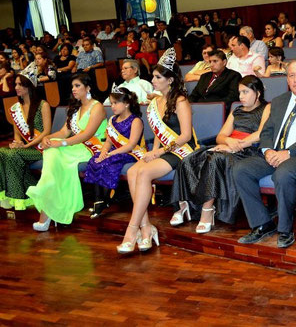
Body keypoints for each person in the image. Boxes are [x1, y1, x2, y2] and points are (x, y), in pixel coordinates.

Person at [233, 59, 296, 248]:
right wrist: (267, 151)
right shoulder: (279, 102)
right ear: (287, 79)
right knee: (241, 169)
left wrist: (289, 152)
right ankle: (262, 224)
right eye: (291, 75)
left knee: (283, 173)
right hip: (275, 153)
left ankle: (285, 230)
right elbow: (266, 132)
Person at [118, 48, 199, 254]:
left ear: (170, 80)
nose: (152, 80)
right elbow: (157, 133)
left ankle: (132, 230)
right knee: (132, 171)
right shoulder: (154, 103)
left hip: (182, 150)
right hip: (163, 149)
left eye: (157, 77)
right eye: (153, 76)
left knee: (143, 172)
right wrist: (152, 152)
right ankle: (146, 228)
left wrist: (159, 152)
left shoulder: (180, 100)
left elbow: (185, 136)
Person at [171, 75, 271, 233]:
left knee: (214, 159)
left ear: (257, 93)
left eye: (245, 92)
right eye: (239, 93)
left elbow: (261, 134)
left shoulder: (266, 108)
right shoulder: (236, 110)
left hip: (248, 150)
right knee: (190, 158)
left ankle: (207, 210)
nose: (241, 97)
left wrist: (235, 146)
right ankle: (185, 206)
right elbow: (221, 136)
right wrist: (228, 142)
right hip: (229, 146)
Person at [26, 74, 107, 230]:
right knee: (51, 153)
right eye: (72, 86)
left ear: (88, 87)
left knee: (56, 156)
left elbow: (86, 134)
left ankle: (46, 206)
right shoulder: (75, 107)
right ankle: (48, 209)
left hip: (92, 148)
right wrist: (48, 138)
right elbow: (64, 131)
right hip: (75, 146)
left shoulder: (97, 107)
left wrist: (61, 143)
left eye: (77, 86)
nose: (73, 89)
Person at [84, 87, 146, 219]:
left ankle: (105, 200)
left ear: (126, 103)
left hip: (131, 153)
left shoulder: (136, 121)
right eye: (111, 103)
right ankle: (99, 200)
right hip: (115, 151)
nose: (112, 106)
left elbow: (131, 145)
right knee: (95, 160)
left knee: (108, 163)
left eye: (115, 103)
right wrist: (103, 152)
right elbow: (108, 141)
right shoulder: (112, 120)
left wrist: (110, 154)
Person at [0, 70, 51, 210]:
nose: (16, 87)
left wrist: (27, 144)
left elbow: (47, 131)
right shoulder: (16, 108)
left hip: (41, 148)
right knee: (2, 152)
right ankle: (9, 193)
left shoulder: (43, 105)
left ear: (28, 87)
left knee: (12, 155)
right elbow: (17, 132)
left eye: (19, 84)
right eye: (15, 84)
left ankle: (19, 196)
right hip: (26, 147)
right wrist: (17, 142)